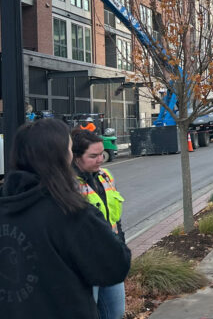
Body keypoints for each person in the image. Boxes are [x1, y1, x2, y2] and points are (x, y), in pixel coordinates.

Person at [0, 119, 130, 318]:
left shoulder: (7, 206)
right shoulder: (70, 211)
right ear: (60, 157)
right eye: (69, 149)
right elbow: (115, 265)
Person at [72, 129, 126, 319]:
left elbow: (115, 217)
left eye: (101, 154)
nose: (100, 159)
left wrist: (121, 244)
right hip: (85, 262)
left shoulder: (106, 176)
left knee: (115, 312)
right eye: (92, 156)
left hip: (110, 255)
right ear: (76, 157)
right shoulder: (68, 185)